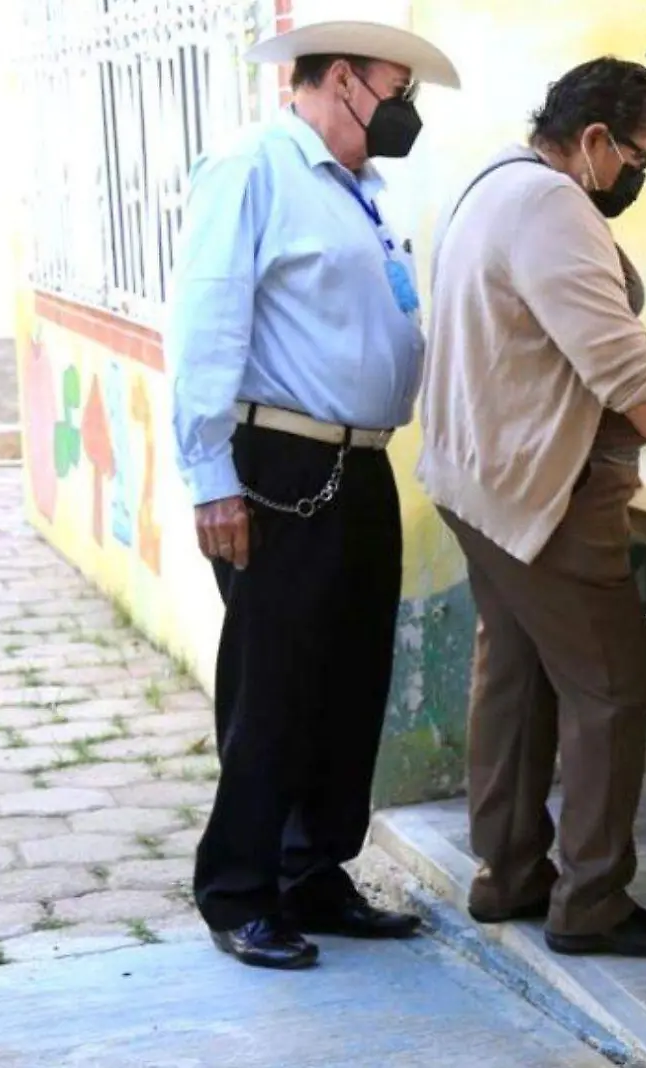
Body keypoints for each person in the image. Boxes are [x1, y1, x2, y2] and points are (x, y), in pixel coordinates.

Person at [418, 58, 646, 960]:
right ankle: (592, 903)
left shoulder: (491, 186)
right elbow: (622, 367)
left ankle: (506, 873)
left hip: (479, 480)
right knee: (614, 683)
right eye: (637, 155)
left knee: (513, 677)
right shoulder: (554, 206)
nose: (639, 175)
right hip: (543, 494)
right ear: (592, 141)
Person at [165, 19, 461, 969]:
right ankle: (239, 889)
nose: (405, 108)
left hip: (359, 461)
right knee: (277, 682)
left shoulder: (360, 189)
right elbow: (208, 321)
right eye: (396, 87)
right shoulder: (255, 166)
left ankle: (312, 870)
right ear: (341, 79)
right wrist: (212, 478)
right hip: (281, 463)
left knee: (349, 679)